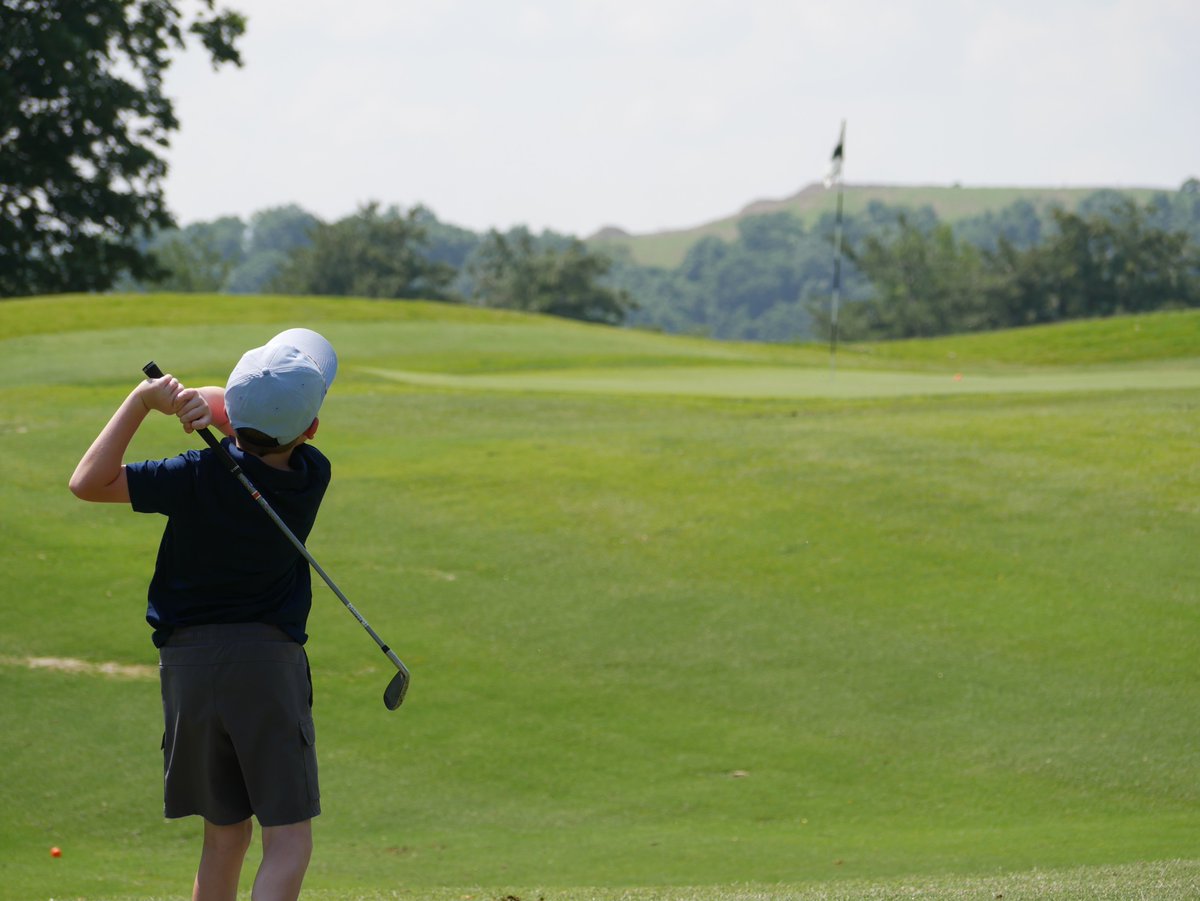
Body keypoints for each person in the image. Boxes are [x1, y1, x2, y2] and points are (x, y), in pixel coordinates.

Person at [69, 328, 338, 901]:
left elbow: (87, 482)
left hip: (187, 667)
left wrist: (146, 401)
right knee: (287, 841)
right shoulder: (311, 473)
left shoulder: (194, 474)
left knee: (224, 837)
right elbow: (237, 414)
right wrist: (206, 409)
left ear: (233, 418)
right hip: (267, 665)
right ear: (311, 429)